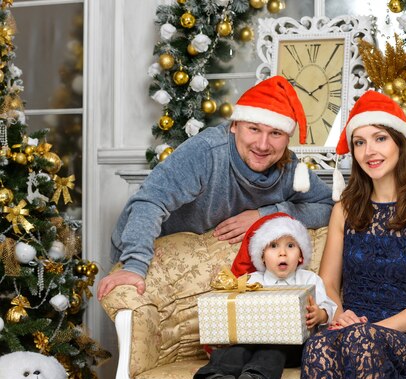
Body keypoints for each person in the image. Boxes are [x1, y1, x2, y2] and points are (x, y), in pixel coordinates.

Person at [97, 76, 334, 301]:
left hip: (210, 265)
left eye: (275, 133)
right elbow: (149, 201)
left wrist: (265, 215)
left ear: (287, 138)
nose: (263, 144)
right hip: (147, 246)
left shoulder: (290, 168)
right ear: (235, 126)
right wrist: (135, 265)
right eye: (254, 129)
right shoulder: (207, 152)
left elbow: (326, 207)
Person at [299, 90, 406, 379]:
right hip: (352, 329)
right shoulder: (343, 210)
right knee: (317, 346)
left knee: (363, 341)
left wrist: (378, 329)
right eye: (359, 142)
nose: (369, 150)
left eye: (380, 138)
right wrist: (341, 315)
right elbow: (328, 281)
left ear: (399, 142)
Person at [194, 212, 337, 379]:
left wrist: (320, 314)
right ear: (262, 255)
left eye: (290, 245)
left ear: (301, 254)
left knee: (273, 351)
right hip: (252, 341)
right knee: (237, 350)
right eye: (273, 246)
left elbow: (329, 306)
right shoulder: (252, 281)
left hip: (293, 348)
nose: (282, 253)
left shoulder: (309, 279)